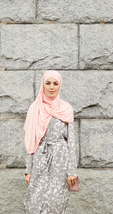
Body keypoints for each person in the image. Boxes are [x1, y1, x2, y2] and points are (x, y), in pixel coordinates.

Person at [24, 70, 78, 214]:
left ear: (60, 86)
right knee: (36, 199)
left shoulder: (66, 109)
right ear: (43, 85)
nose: (51, 87)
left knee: (57, 200)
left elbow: (71, 142)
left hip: (60, 160)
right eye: (48, 83)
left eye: (55, 83)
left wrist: (72, 171)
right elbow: (30, 141)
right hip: (40, 158)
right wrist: (28, 170)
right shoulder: (35, 108)